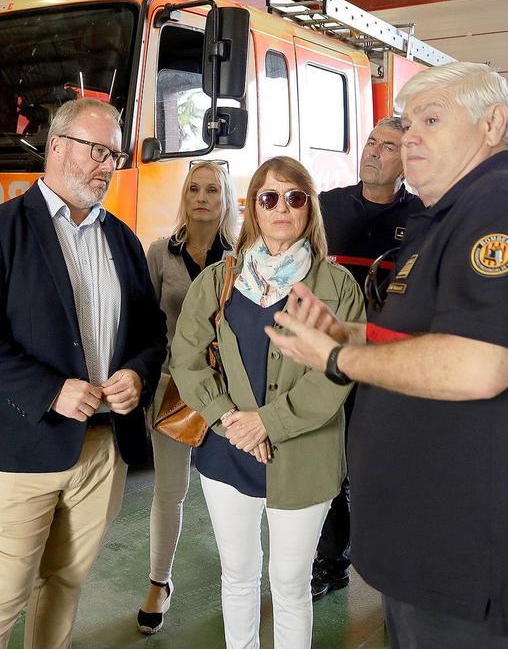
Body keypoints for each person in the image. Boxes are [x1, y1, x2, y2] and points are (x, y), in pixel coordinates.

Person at [268, 62, 508, 648]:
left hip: (483, 565)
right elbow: (429, 339)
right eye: (404, 120)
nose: (408, 135)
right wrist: (348, 334)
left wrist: (338, 361)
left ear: (492, 123)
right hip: (442, 551)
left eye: (431, 118)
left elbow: (476, 365)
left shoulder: (507, 207)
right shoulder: (456, 215)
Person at [0, 98, 166, 649]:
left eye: (114, 154)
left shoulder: (122, 239)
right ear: (57, 147)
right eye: (97, 150)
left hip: (99, 451)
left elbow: (150, 332)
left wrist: (136, 374)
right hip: (21, 450)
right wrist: (50, 390)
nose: (107, 165)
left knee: (65, 583)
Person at [171, 156, 365, 649]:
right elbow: (187, 360)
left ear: (309, 209)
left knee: (290, 586)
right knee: (236, 576)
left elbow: (337, 372)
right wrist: (230, 420)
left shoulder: (336, 286)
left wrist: (268, 423)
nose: (282, 208)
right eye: (269, 197)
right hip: (227, 451)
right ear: (254, 208)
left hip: (304, 459)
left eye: (295, 197)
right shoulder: (218, 280)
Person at [313, 116, 423, 601]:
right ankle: (331, 562)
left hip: (386, 367)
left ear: (407, 159)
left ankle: (389, 565)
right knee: (330, 461)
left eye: (389, 147)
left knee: (379, 468)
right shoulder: (326, 207)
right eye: (372, 143)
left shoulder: (422, 218)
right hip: (329, 360)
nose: (374, 152)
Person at [136, 159, 238, 635]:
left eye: (212, 190)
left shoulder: (242, 256)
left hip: (227, 394)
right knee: (169, 493)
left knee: (231, 494)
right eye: (194, 188)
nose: (202, 197)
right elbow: (144, 324)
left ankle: (238, 579)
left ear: (225, 198)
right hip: (172, 390)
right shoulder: (160, 253)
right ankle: (159, 581)